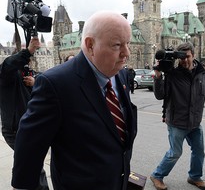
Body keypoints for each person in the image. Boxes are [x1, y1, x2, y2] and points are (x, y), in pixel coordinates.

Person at [11, 11, 137, 190]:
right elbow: (29, 146)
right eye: (117, 45)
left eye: (128, 43)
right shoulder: (55, 83)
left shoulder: (120, 74)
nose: (127, 53)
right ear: (90, 45)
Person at [150, 42, 205, 190]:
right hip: (177, 121)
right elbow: (160, 95)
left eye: (187, 57)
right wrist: (158, 76)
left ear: (193, 55)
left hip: (195, 122)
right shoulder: (173, 73)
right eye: (181, 57)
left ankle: (194, 176)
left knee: (199, 151)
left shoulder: (203, 73)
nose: (184, 60)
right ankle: (157, 175)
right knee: (175, 153)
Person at [0, 37, 49, 190]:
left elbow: (44, 81)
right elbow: (9, 64)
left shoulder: (27, 74)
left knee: (25, 161)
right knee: (33, 162)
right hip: (15, 129)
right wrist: (28, 51)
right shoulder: (7, 74)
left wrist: (36, 82)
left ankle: (19, 186)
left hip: (29, 125)